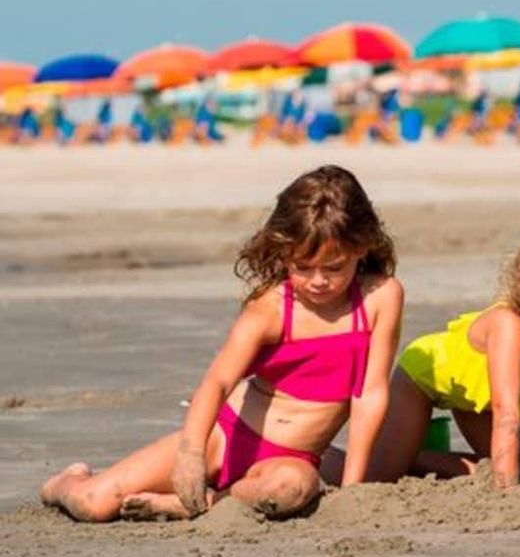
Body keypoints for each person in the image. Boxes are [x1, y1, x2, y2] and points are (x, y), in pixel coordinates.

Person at [41, 166, 404, 521]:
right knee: (94, 503)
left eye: (334, 268)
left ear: (361, 247)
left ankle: (204, 504)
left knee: (292, 489)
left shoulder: (380, 298)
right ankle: (65, 483)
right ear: (283, 253)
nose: (318, 281)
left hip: (290, 460)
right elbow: (217, 382)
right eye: (302, 268)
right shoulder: (272, 307)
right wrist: (191, 454)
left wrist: (355, 487)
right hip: (224, 437)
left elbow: (369, 394)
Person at [330, 217, 520, 489]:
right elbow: (506, 413)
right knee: (379, 477)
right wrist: (509, 492)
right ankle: (333, 458)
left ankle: (415, 459)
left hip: (477, 397)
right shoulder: (509, 326)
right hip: (426, 375)